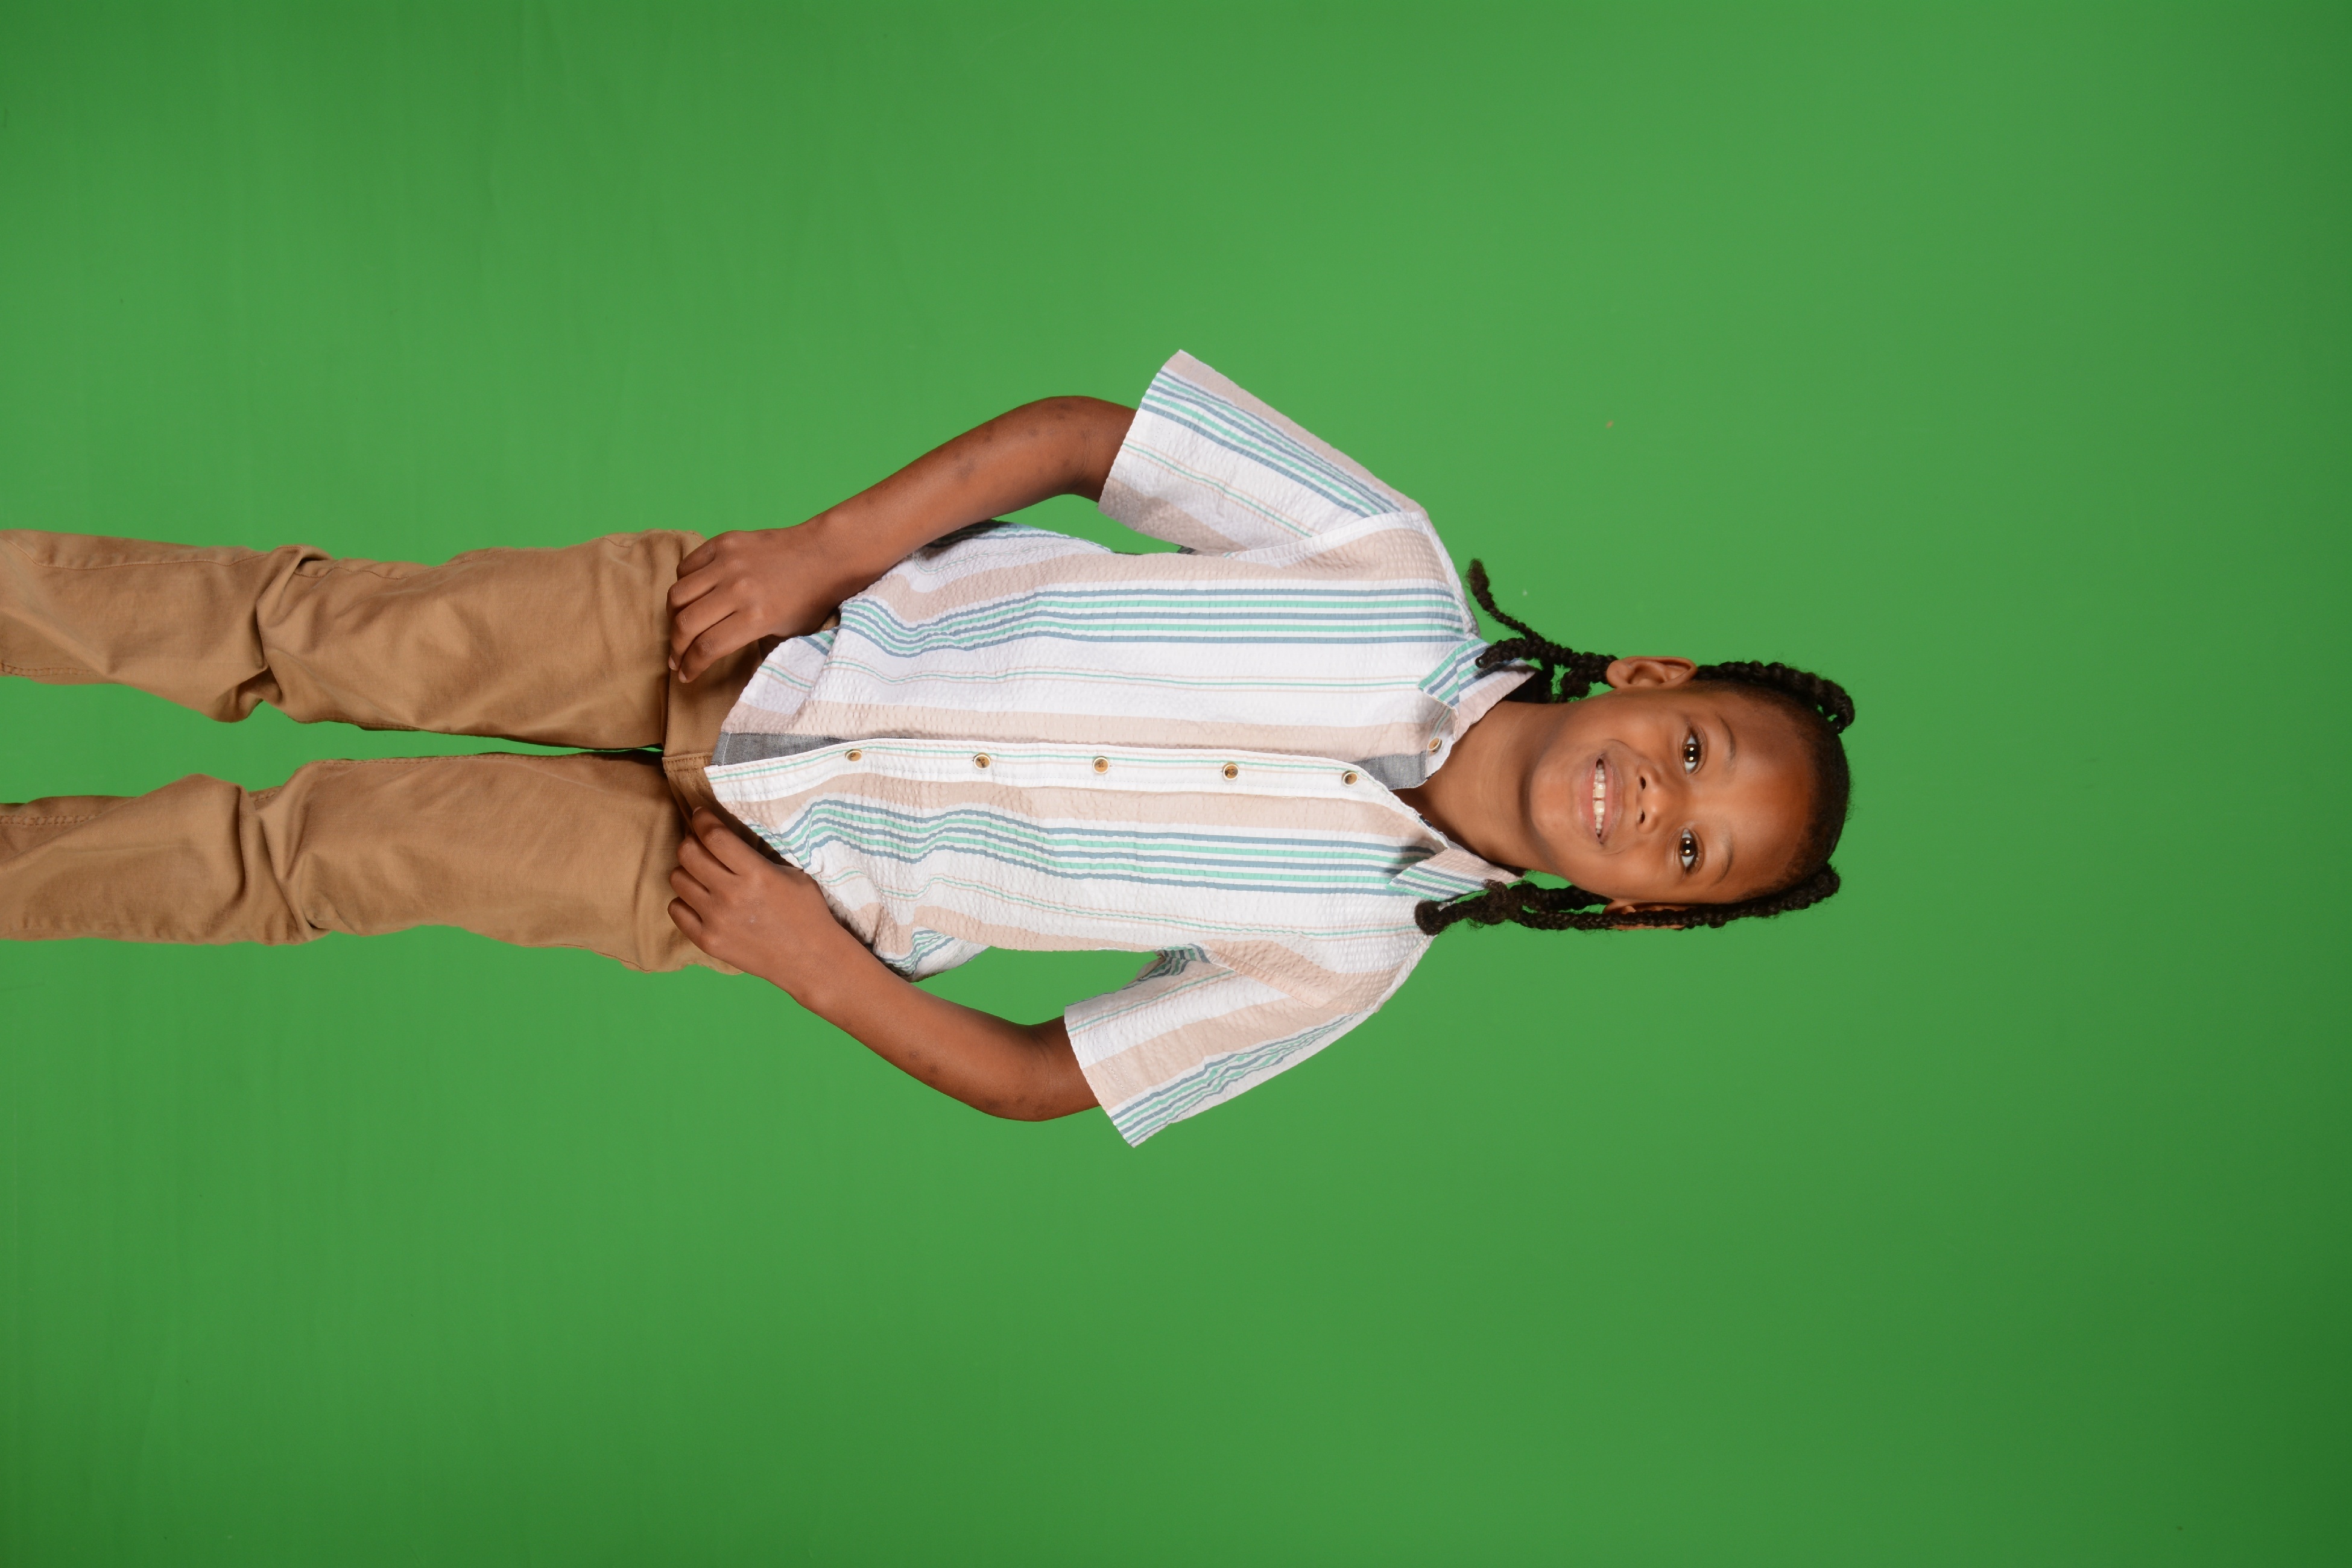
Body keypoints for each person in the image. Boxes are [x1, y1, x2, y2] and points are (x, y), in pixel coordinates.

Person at [0, 354, 1853, 1144]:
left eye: (1688, 850)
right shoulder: (1382, 564)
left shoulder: (1346, 958)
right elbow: (1086, 439)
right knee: (319, 633)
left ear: (1637, 910)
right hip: (746, 627)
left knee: (321, 860)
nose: (1656, 803)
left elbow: (1051, 1078)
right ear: (1650, 675)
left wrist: (810, 967)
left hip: (743, 887)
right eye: (1693, 750)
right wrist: (820, 550)